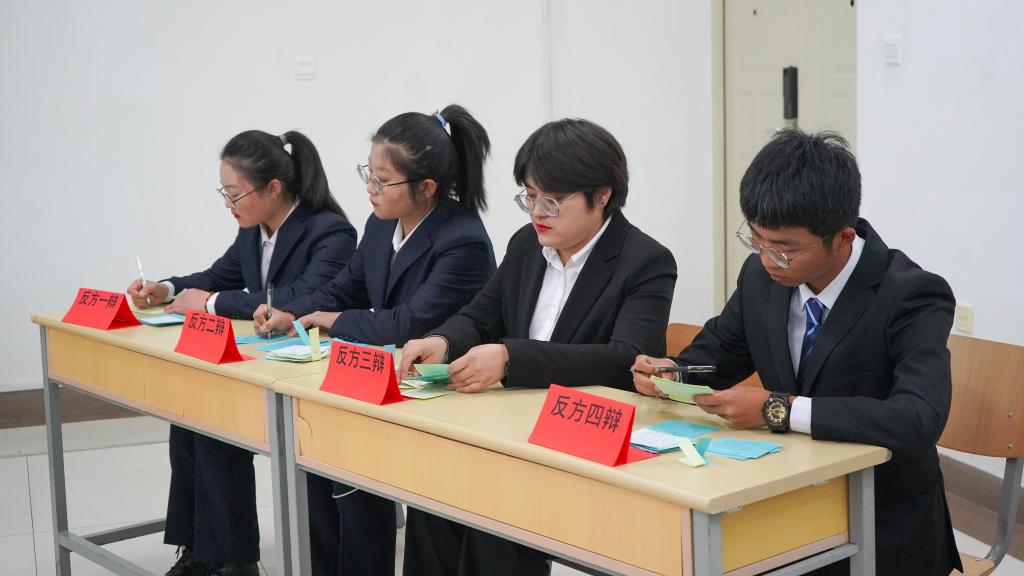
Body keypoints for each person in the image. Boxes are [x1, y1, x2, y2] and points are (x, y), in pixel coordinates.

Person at [632, 129, 961, 576]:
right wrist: (671, 373)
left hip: (883, 521)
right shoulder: (761, 277)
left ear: (842, 238)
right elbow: (719, 354)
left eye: (785, 248)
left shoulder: (911, 294)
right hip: (787, 500)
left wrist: (779, 409)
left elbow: (917, 419)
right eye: (756, 240)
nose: (768, 259)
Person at [399, 118, 677, 576]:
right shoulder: (527, 245)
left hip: (583, 442)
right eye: (530, 196)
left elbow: (625, 358)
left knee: (493, 513)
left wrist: (512, 359)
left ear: (601, 195)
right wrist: (441, 340)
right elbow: (480, 315)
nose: (537, 212)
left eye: (552, 200)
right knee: (433, 495)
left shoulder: (645, 260)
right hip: (511, 429)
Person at [254, 105, 496, 576]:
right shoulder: (382, 222)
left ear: (427, 187)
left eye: (383, 181)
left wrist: (334, 319)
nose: (370, 188)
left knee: (351, 470)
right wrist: (294, 311)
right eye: (368, 173)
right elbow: (345, 287)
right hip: (384, 379)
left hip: (440, 393)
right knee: (315, 459)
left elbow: (409, 324)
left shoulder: (462, 239)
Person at [127, 130, 357, 576]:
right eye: (224, 194)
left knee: (215, 422)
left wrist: (209, 304)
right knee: (189, 415)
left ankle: (231, 560)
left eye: (235, 194)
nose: (229, 205)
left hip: (308, 371)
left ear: (273, 188)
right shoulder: (253, 231)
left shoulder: (329, 231)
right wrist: (166, 289)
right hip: (263, 361)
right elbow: (217, 277)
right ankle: (200, 550)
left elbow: (300, 296)